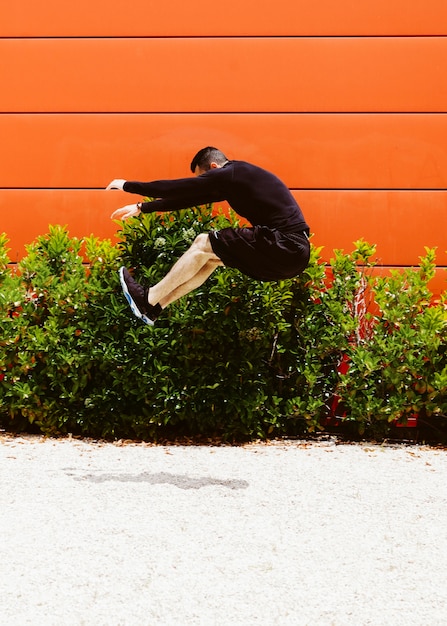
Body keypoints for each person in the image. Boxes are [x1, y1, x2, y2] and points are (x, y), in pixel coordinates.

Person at [106, 147, 310, 325]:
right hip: (293, 257)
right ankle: (155, 308)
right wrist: (143, 207)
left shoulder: (233, 172)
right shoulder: (234, 180)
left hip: (283, 242)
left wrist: (127, 186)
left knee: (203, 242)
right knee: (210, 258)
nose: (203, 183)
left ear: (214, 167)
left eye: (203, 178)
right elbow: (189, 198)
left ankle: (148, 297)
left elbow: (178, 187)